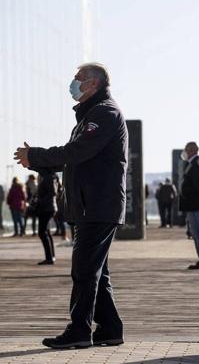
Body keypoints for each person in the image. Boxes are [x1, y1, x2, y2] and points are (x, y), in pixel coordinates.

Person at [14, 62, 127, 349]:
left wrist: (36, 155)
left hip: (98, 206)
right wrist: (37, 162)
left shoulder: (104, 113)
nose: (73, 83)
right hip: (92, 206)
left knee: (85, 271)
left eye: (79, 78)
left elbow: (77, 152)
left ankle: (79, 331)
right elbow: (78, 161)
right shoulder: (93, 114)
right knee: (96, 272)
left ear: (94, 83)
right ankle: (110, 328)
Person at [179, 141, 199, 270]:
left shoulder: (196, 164)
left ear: (191, 150)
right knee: (196, 231)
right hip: (193, 203)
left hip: (194, 203)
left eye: (186, 150)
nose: (184, 153)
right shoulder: (196, 163)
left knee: (198, 231)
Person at [32, 169, 58, 265]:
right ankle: (51, 256)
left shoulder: (48, 177)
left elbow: (53, 192)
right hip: (48, 207)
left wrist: (40, 201)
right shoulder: (48, 176)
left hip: (47, 208)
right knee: (46, 232)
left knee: (42, 232)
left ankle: (49, 258)